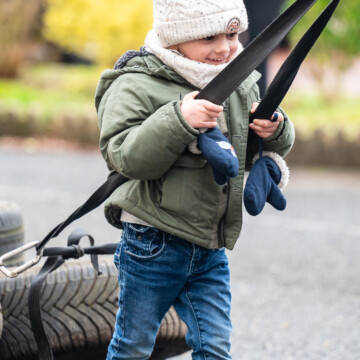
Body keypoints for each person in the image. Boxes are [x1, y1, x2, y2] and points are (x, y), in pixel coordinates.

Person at [95, 0, 295, 358]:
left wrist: (276, 128)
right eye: (209, 37)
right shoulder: (138, 83)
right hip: (151, 241)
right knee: (134, 344)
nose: (224, 47)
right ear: (174, 39)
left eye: (232, 34)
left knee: (215, 346)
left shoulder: (239, 81)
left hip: (209, 245)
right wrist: (179, 118)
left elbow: (249, 149)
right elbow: (124, 155)